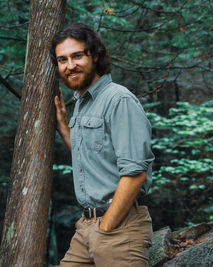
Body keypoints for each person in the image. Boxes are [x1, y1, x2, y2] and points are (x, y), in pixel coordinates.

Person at [51, 23, 155, 266]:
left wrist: (107, 226)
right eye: (62, 59)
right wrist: (64, 127)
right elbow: (90, 155)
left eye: (77, 56)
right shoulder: (83, 103)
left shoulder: (118, 99)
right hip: (86, 228)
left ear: (95, 55)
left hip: (119, 227)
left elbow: (135, 172)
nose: (70, 65)